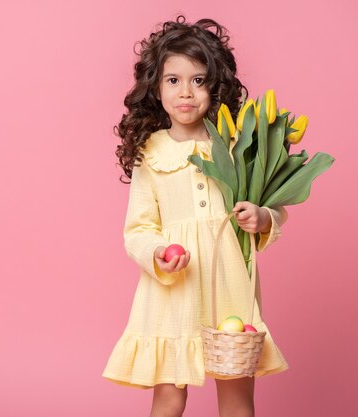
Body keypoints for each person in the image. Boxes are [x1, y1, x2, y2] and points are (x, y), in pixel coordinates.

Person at [101, 15, 290, 417]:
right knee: (169, 396)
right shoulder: (150, 152)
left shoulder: (237, 141)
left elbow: (274, 206)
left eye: (198, 80)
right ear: (155, 87)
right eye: (173, 80)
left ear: (215, 86)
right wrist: (159, 252)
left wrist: (263, 218)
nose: (186, 92)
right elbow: (138, 230)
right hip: (174, 292)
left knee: (238, 396)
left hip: (229, 285)